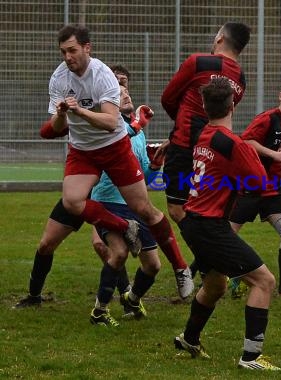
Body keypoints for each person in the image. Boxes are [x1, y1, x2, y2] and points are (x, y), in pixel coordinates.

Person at [48, 24, 193, 298]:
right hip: (82, 151)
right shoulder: (58, 78)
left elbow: (110, 122)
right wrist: (61, 113)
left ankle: (181, 268)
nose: (67, 57)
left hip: (113, 147)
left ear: (87, 48)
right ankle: (127, 228)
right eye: (63, 52)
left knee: (145, 208)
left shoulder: (103, 75)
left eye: (72, 50)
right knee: (71, 201)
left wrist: (78, 110)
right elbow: (56, 127)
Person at [14, 68, 159, 308]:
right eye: (116, 82)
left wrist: (153, 164)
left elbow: (141, 174)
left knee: (106, 247)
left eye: (124, 83)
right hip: (81, 191)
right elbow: (50, 130)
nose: (121, 88)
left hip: (106, 199)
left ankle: (125, 296)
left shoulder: (134, 129)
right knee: (46, 244)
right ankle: (34, 296)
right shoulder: (93, 114)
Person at [173, 77, 281, 371]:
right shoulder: (234, 143)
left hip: (193, 221)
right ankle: (251, 357)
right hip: (210, 226)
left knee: (216, 284)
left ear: (206, 107)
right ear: (233, 105)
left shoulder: (206, 134)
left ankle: (190, 339)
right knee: (264, 281)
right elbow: (259, 184)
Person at [89, 84, 165, 326]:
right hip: (108, 202)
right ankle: (99, 311)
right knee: (119, 252)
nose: (126, 94)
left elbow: (142, 179)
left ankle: (131, 299)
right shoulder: (107, 127)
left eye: (126, 91)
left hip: (135, 204)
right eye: (118, 93)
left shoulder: (138, 132)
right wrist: (137, 125)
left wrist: (154, 166)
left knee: (153, 266)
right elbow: (118, 138)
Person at [161, 22, 251, 225]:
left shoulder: (198, 62)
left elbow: (167, 99)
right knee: (207, 210)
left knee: (177, 209)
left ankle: (210, 251)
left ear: (219, 38)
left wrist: (179, 129)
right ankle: (211, 252)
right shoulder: (241, 79)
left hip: (184, 147)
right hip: (215, 153)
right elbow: (224, 116)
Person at [229, 79, 281, 297]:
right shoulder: (268, 119)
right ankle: (202, 274)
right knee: (225, 235)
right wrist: (273, 154)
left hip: (273, 190)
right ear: (280, 95)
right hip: (250, 188)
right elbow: (246, 142)